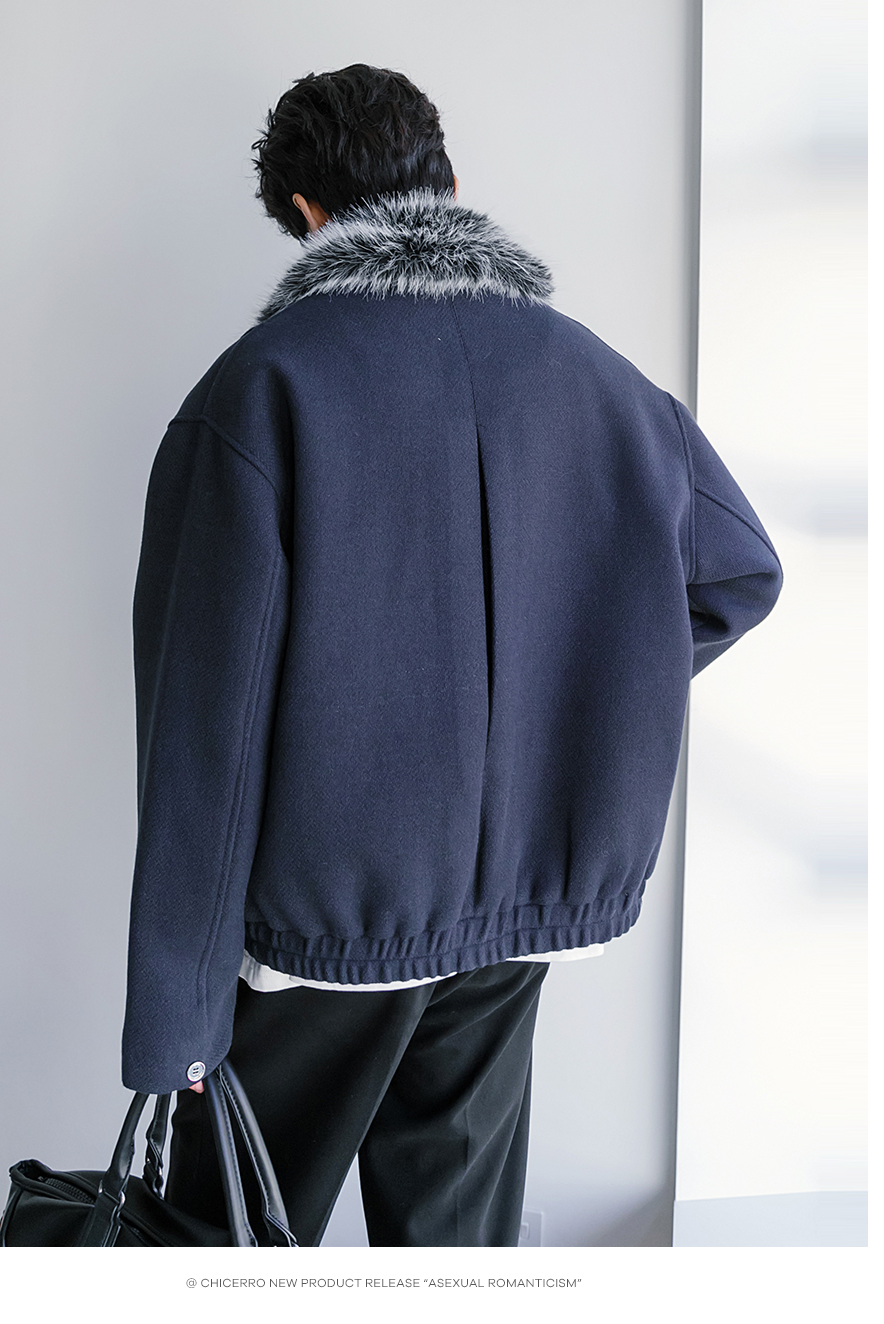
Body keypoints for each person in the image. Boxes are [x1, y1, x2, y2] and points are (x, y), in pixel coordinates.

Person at [121, 64, 782, 1246]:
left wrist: (172, 1018)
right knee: (458, 1251)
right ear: (451, 185)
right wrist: (571, 690)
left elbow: (203, 722)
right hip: (520, 911)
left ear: (307, 213)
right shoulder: (601, 379)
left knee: (219, 1249)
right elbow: (737, 575)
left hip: (328, 921)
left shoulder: (264, 390)